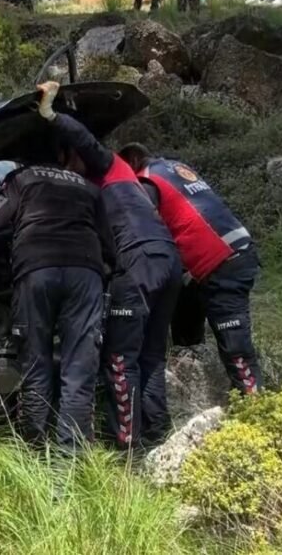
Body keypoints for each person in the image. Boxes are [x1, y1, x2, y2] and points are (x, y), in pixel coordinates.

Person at [38, 81, 182, 450]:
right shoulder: (119, 180)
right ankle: (157, 436)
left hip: (137, 262)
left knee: (120, 359)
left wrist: (51, 114)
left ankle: (126, 449)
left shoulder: (107, 164)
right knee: (151, 355)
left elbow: (86, 142)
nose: (66, 169)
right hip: (167, 258)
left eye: (66, 160)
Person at [0, 159, 112, 450]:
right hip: (86, 273)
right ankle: (70, 458)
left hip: (37, 271)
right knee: (79, 368)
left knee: (35, 362)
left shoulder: (22, 177)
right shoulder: (89, 187)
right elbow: (110, 246)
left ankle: (33, 449)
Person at [119, 144, 262, 396]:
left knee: (234, 343)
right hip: (232, 251)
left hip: (221, 260)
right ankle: (196, 380)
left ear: (131, 161)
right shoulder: (173, 166)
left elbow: (144, 229)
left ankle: (256, 405)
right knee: (185, 312)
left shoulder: (147, 180)